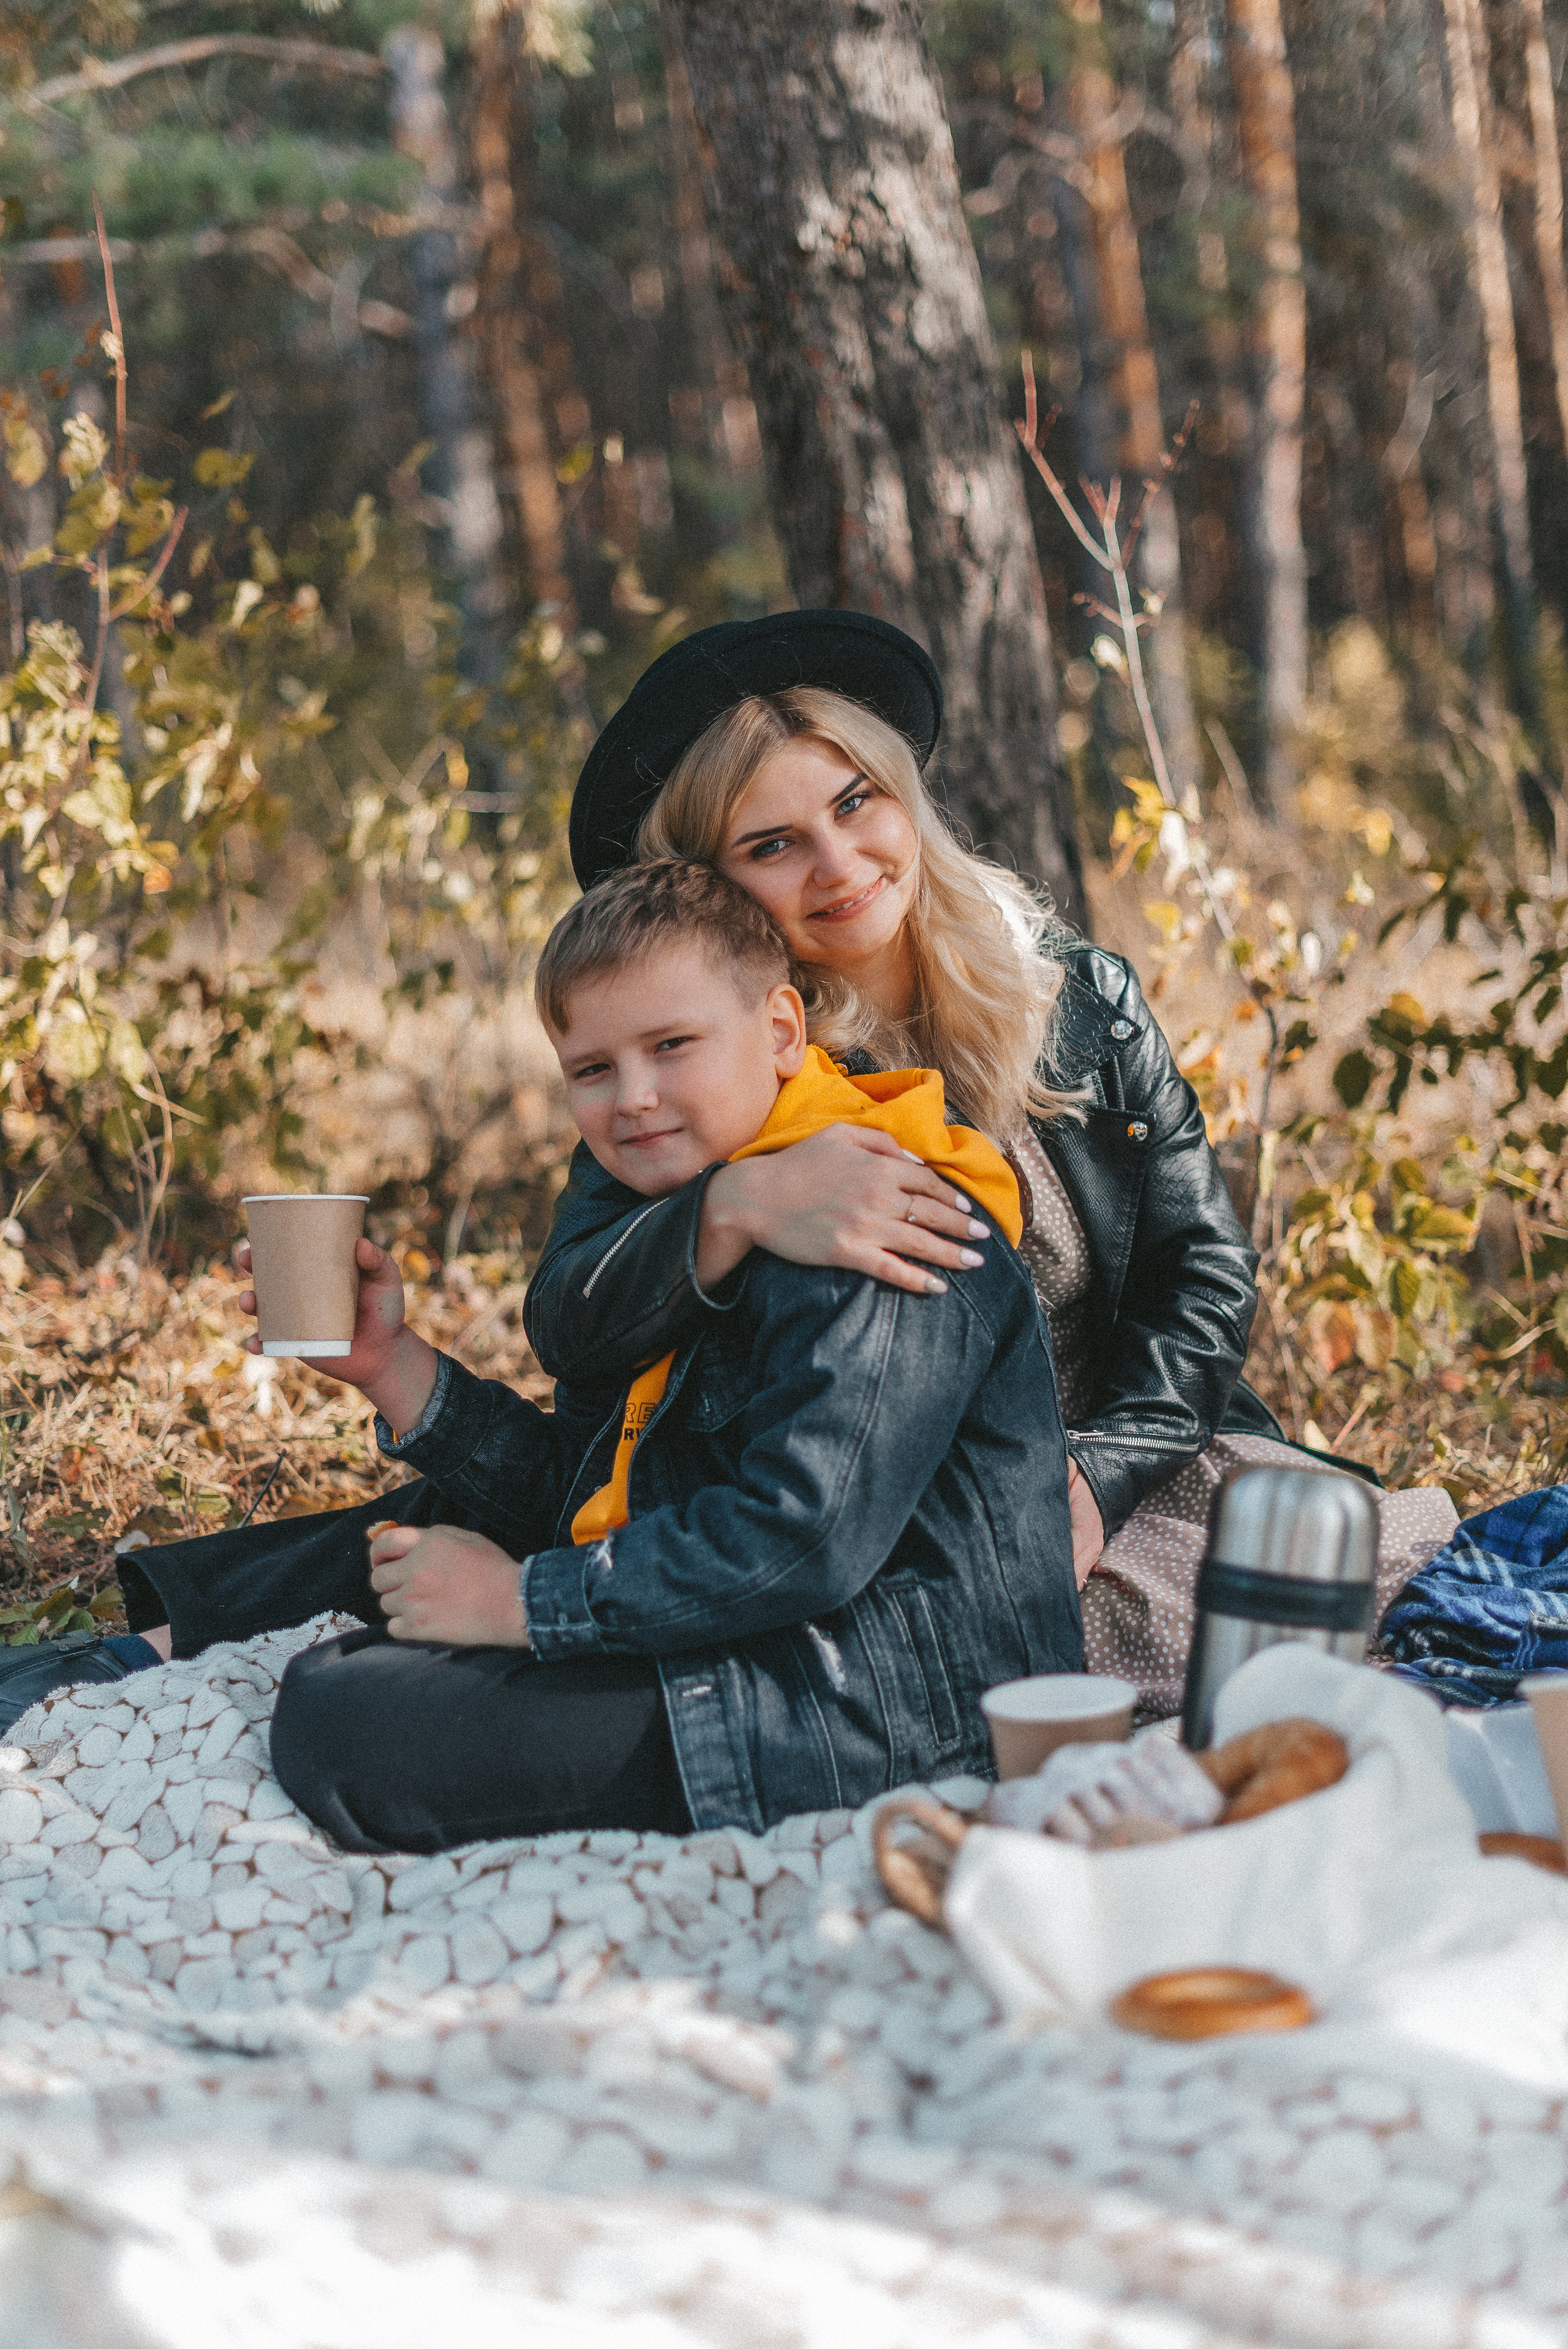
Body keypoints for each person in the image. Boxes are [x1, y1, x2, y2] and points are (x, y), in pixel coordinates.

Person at [0, 858, 1080, 1850]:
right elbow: (600, 1488)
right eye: (593, 1069)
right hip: (754, 1647)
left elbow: (803, 1540)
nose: (634, 1098)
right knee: (406, 1551)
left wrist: (524, 1603)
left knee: (342, 1711)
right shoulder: (723, 1210)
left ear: (784, 1029)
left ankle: (199, 1675)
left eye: (672, 1047)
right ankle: (105, 1669)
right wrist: (395, 1367)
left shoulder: (872, 1208)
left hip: (863, 1712)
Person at [526, 609, 1460, 1720]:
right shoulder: (716, 1064)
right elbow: (572, 1324)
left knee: (1381, 1591)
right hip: (874, 1500)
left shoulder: (1081, 1000)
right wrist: (731, 1204)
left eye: (854, 803)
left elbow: (1200, 1268)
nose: (839, 864)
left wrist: (1100, 1477)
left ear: (901, 796)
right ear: (714, 883)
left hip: (1128, 1467)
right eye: (771, 845)